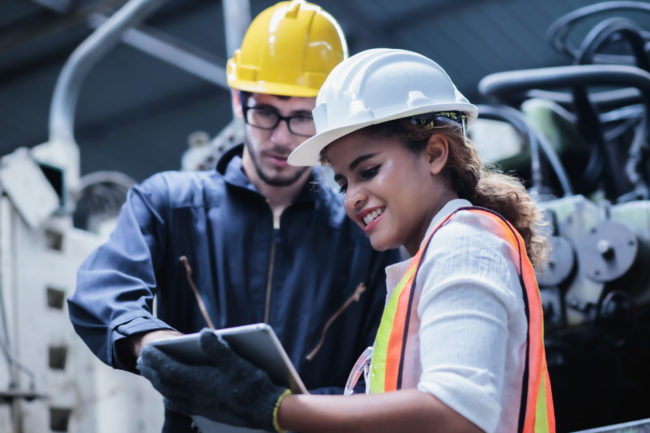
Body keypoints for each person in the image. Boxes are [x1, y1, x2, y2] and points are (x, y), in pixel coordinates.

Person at [138, 48, 557, 433]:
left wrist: (275, 408)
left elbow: (458, 412)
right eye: (343, 182)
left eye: (368, 170)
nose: (353, 196)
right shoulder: (425, 265)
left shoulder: (465, 243)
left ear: (434, 154)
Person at [68, 3, 401, 432]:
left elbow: (382, 376)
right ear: (237, 99)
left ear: (329, 119)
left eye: (303, 117)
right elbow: (101, 290)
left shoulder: (364, 233)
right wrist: (149, 341)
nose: (281, 139)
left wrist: (285, 408)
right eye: (265, 112)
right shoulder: (169, 205)